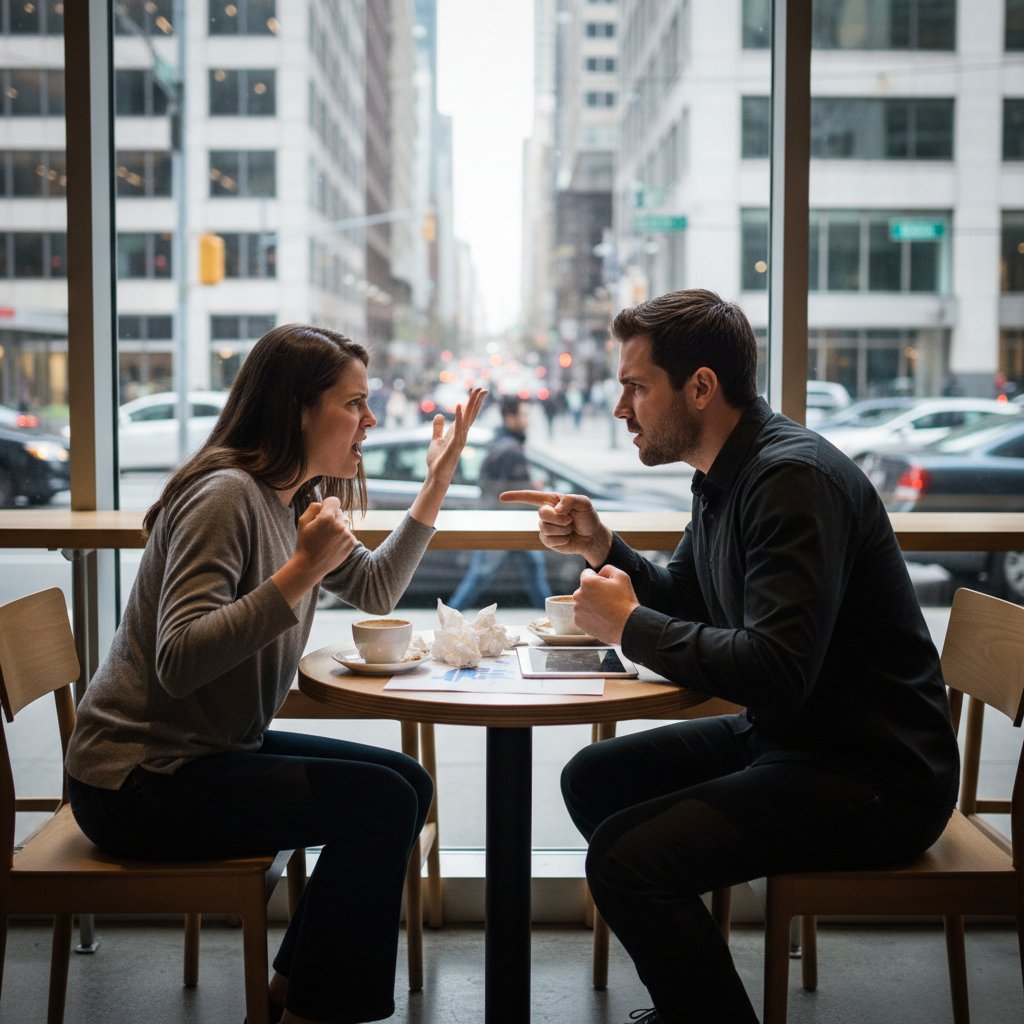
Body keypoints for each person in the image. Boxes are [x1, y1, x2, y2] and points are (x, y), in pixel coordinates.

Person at [502, 289, 959, 1024]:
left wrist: (626, 629)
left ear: (702, 387)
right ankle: (695, 989)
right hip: (798, 740)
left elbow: (778, 668)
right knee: (594, 779)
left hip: (876, 775)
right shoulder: (725, 474)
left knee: (625, 860)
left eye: (637, 387)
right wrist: (603, 548)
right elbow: (688, 594)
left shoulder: (790, 480)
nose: (622, 408)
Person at [65, 323, 485, 1024]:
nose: (370, 421)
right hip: (138, 782)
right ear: (298, 408)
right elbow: (178, 661)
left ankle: (296, 993)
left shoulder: (292, 497)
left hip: (208, 757)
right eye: (354, 404)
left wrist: (435, 484)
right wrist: (299, 572)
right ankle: (318, 1012)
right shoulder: (226, 496)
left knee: (407, 786)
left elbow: (377, 589)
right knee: (379, 805)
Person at [448, 394, 550, 611]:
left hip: (506, 520)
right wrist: (535, 489)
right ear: (510, 417)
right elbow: (503, 489)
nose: (527, 420)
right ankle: (447, 618)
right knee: (479, 576)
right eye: (523, 415)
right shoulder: (510, 449)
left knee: (532, 569)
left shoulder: (503, 443)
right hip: (504, 521)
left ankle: (552, 620)